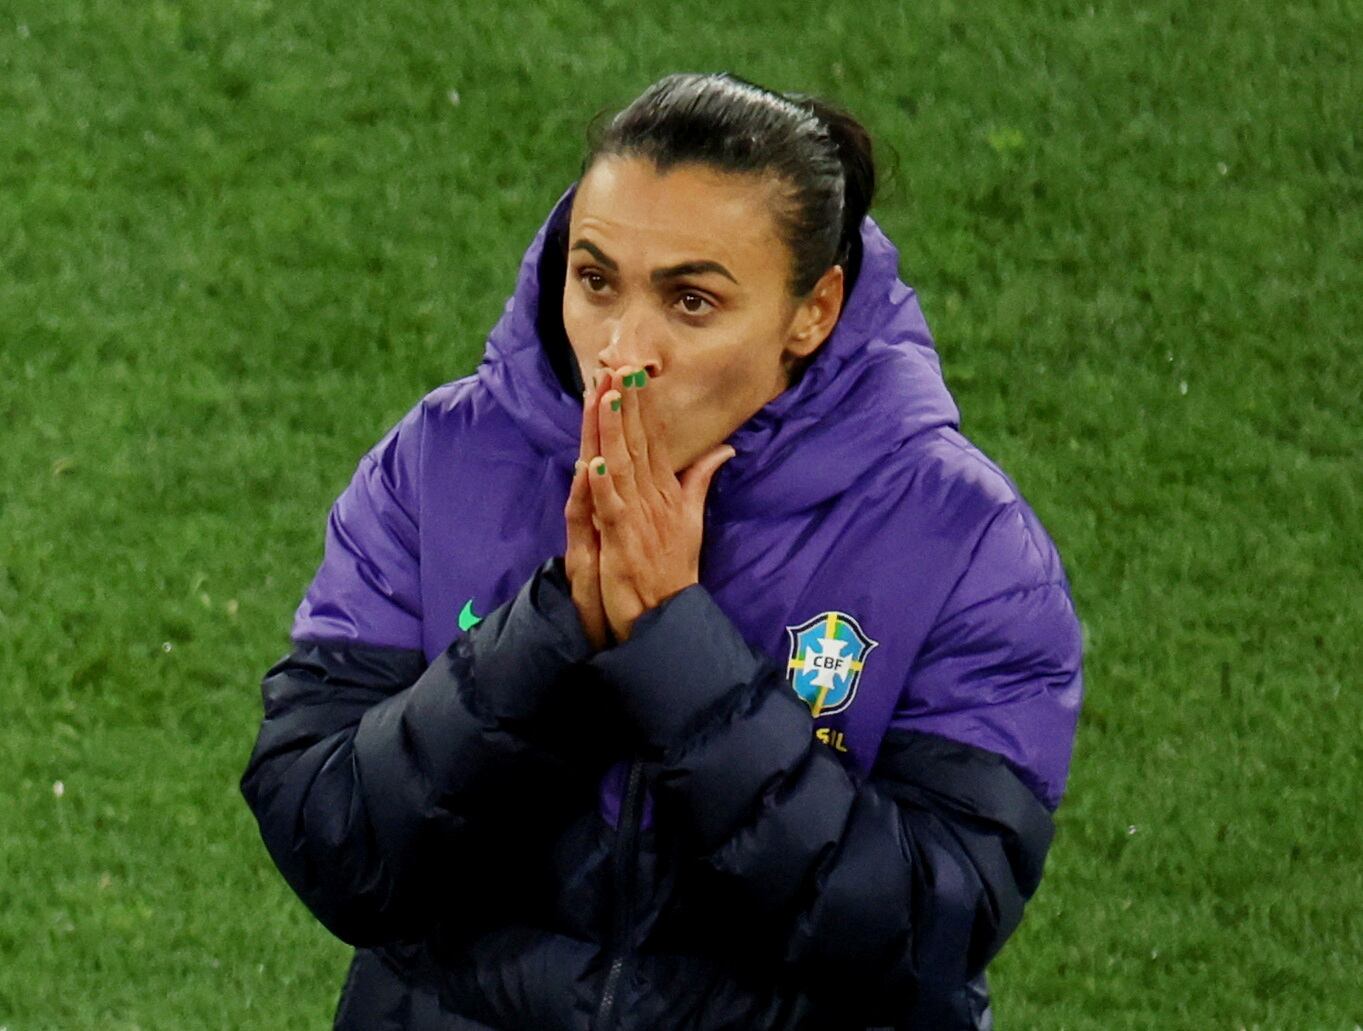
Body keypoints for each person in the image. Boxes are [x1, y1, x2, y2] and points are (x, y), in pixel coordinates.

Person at [241, 71, 1083, 1030]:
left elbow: (921, 933)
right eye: (595, 282)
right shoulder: (440, 466)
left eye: (690, 302)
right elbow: (334, 842)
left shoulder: (961, 546)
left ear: (815, 308)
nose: (621, 350)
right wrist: (552, 633)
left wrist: (679, 658)